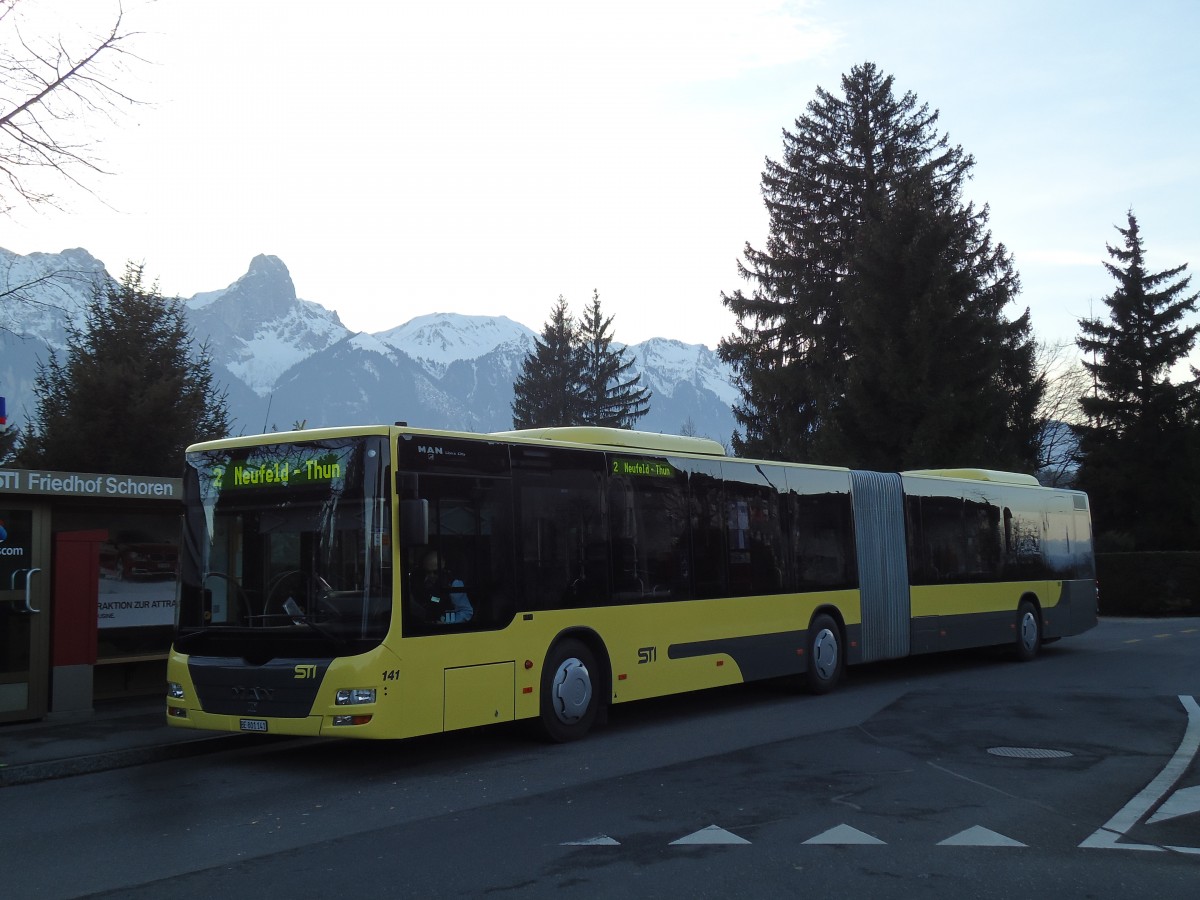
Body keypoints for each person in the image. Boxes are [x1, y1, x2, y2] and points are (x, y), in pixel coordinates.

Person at [412, 550, 473, 624]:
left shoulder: (453, 584)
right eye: (428, 572)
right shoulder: (419, 582)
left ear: (443, 566)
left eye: (436, 572)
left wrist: (445, 622)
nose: (431, 576)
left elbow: (466, 612)